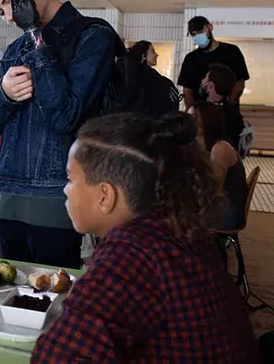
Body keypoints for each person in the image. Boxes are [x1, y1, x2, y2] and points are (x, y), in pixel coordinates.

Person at [32, 112, 260, 362]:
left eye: (70, 178)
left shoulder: (130, 258)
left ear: (104, 196)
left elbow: (57, 357)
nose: (65, 189)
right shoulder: (180, 233)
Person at [0, 0, 115, 268]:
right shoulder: (16, 49)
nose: (9, 16)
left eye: (11, 1)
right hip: (9, 199)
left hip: (56, 200)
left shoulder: (93, 36)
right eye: (0, 12)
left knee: (53, 302)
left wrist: (34, 32)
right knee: (9, 297)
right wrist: (4, 94)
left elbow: (65, 116)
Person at [189, 101, 248, 231]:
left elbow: (213, 189)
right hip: (215, 204)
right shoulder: (196, 146)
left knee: (173, 215)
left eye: (194, 117)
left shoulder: (220, 148)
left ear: (208, 121)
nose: (188, 121)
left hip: (227, 210)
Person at [178, 15, 249, 109]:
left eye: (200, 32)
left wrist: (229, 104)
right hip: (201, 116)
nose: (197, 37)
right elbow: (187, 90)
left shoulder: (232, 51)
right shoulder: (190, 59)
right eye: (193, 35)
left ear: (210, 27)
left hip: (228, 115)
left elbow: (240, 82)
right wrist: (192, 112)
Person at [200, 63, 247, 155]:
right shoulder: (233, 114)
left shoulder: (203, 113)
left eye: (204, 78)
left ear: (210, 85)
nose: (202, 81)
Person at [127, 40, 180, 116]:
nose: (157, 55)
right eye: (153, 52)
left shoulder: (130, 73)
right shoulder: (152, 77)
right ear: (143, 56)